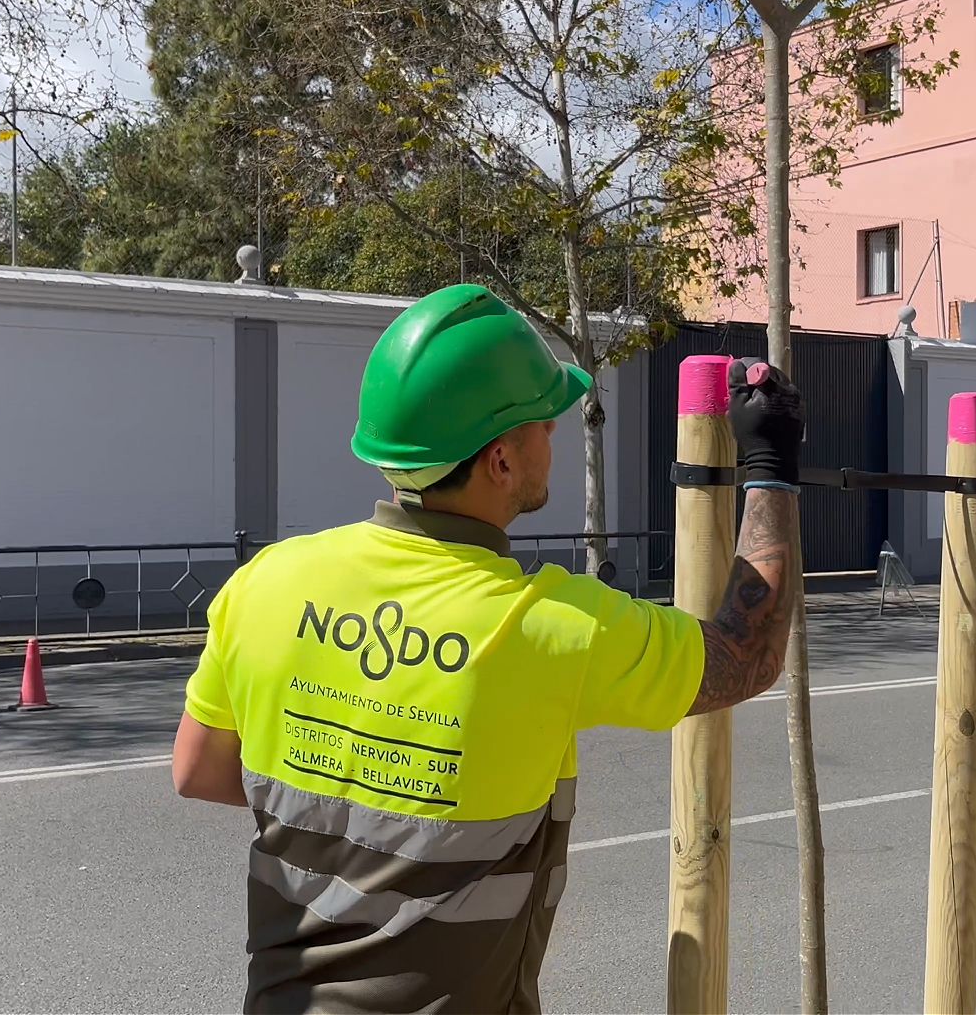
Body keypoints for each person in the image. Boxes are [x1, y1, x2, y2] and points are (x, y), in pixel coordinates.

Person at [171, 283, 801, 1014]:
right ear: (500, 461)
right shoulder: (549, 627)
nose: (555, 435)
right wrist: (771, 467)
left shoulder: (268, 583)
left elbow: (200, 769)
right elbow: (747, 655)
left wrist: (360, 779)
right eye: (543, 421)